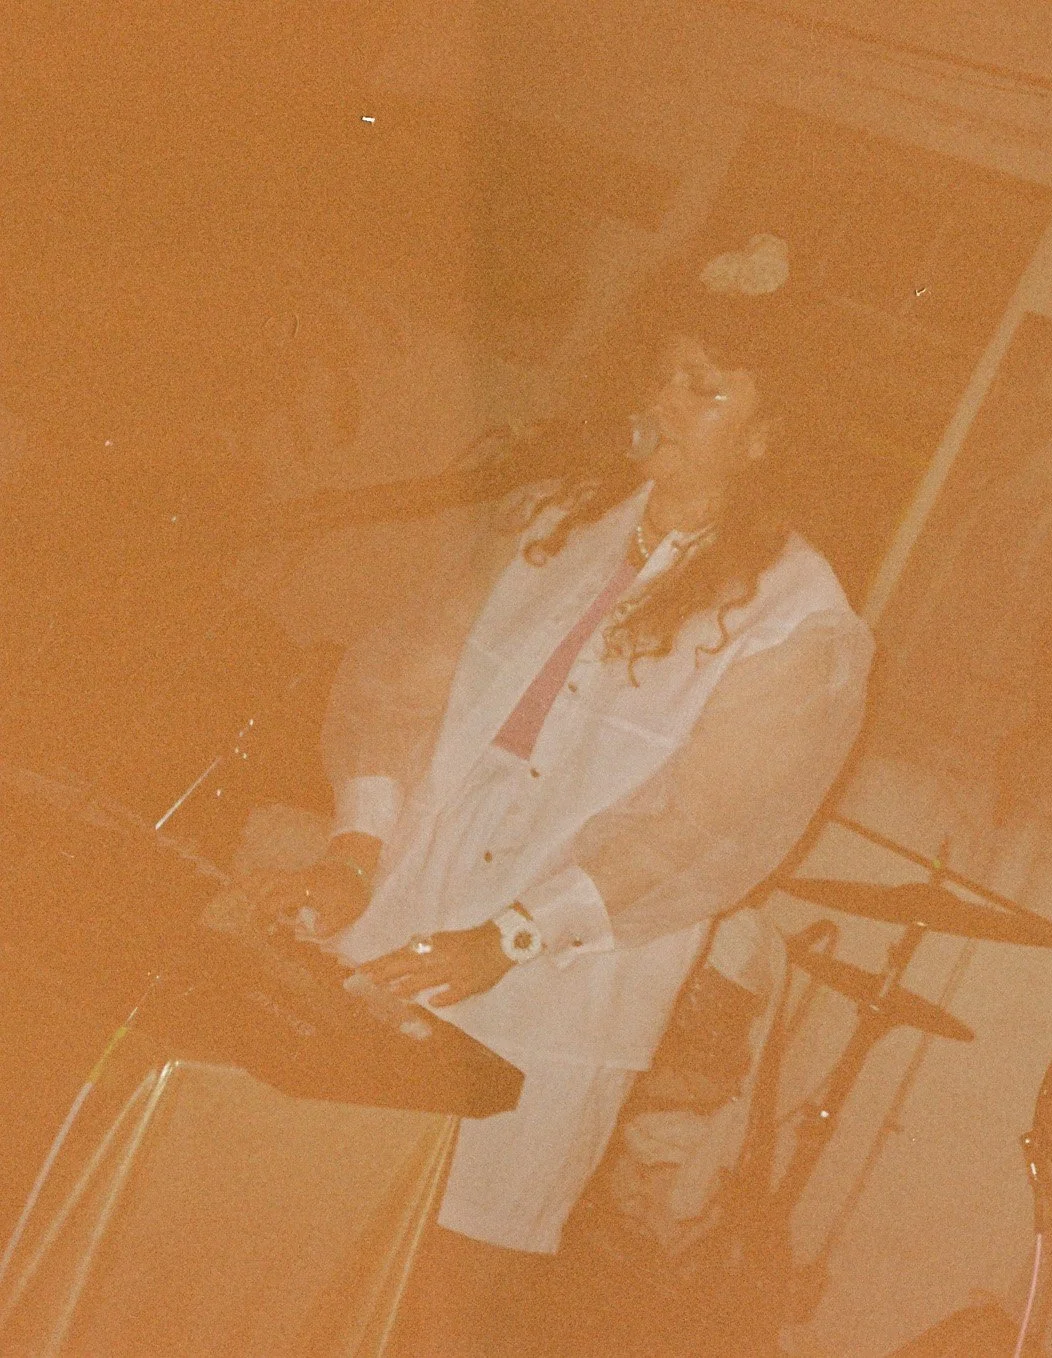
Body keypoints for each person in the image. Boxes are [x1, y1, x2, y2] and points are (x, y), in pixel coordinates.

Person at [244, 234, 873, 1352]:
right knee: (296, 1225)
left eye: (705, 389)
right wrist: (353, 849)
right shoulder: (551, 522)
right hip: (397, 924)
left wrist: (511, 936)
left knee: (442, 1288)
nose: (662, 404)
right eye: (661, 374)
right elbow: (405, 684)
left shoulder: (800, 622)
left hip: (555, 993)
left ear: (769, 438)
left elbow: (701, 839)